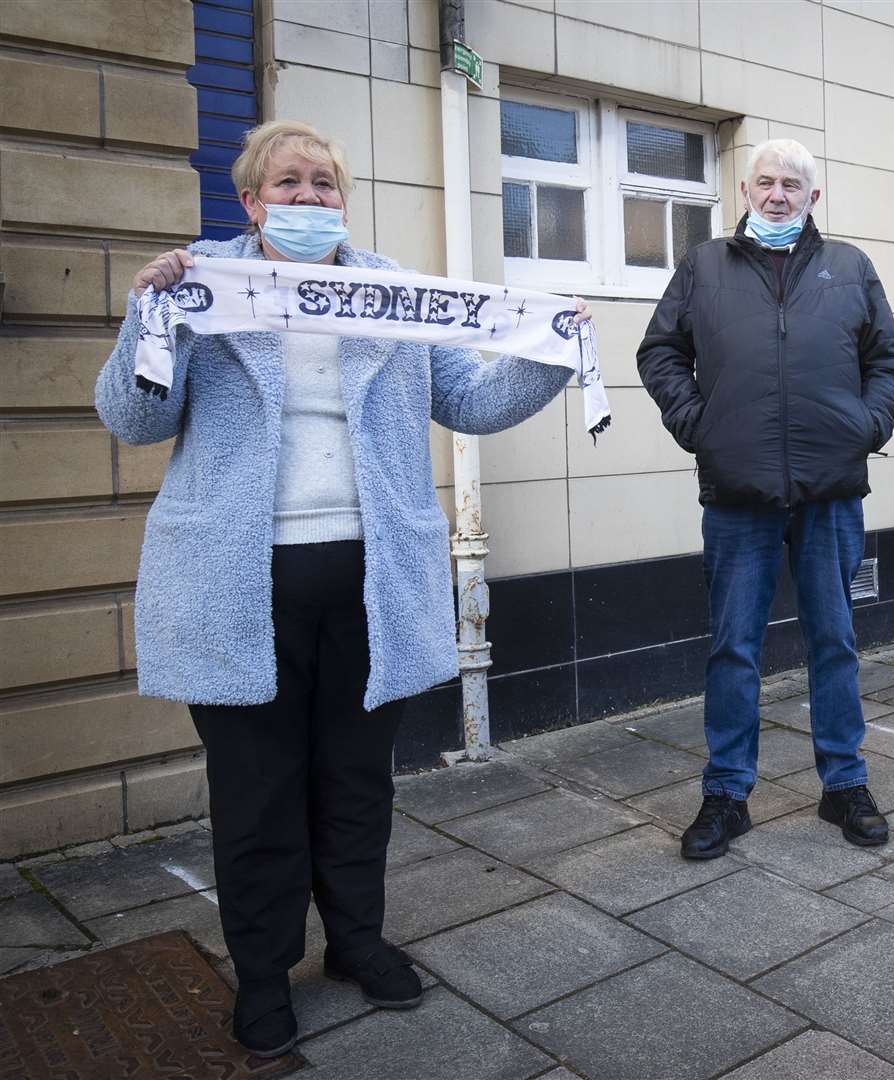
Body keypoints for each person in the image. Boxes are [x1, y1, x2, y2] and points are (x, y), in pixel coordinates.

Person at [94, 121, 587, 1058]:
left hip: (373, 580)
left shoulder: (389, 291)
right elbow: (133, 419)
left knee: (357, 782)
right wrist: (148, 316)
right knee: (257, 791)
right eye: (290, 183)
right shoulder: (204, 284)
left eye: (326, 184)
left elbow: (472, 402)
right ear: (250, 201)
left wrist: (550, 350)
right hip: (235, 585)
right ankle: (263, 975)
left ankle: (357, 942)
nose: (311, 199)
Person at [637, 139, 894, 859]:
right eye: (766, 183)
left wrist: (867, 424)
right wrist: (702, 429)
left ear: (812, 197)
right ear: (746, 190)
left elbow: (887, 361)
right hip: (738, 494)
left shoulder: (848, 267)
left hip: (830, 492)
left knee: (835, 641)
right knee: (733, 647)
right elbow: (659, 352)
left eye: (792, 184)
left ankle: (843, 784)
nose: (778, 194)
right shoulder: (705, 266)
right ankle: (726, 793)